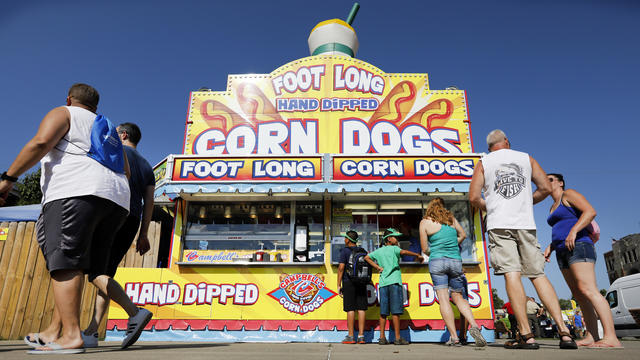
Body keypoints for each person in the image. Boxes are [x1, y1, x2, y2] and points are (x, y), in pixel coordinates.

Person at [0, 84, 130, 354]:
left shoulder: (65, 113)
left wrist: (8, 179)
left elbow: (40, 143)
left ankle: (71, 336)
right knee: (77, 266)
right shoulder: (109, 127)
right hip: (116, 200)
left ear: (69, 99)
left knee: (64, 263)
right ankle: (55, 331)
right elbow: (125, 169)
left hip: (75, 191)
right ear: (95, 105)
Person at [469, 129, 577, 350]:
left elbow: (473, 197)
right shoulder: (526, 158)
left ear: (490, 146)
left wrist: (491, 207)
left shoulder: (484, 162)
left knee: (511, 274)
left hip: (499, 224)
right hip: (525, 223)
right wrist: (526, 203)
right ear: (507, 142)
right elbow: (546, 188)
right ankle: (565, 333)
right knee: (537, 274)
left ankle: (527, 336)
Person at [81, 122, 155, 349]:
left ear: (122, 135)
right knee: (106, 274)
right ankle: (92, 332)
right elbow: (149, 203)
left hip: (112, 213)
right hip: (132, 220)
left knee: (93, 272)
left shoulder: (116, 150)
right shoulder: (147, 166)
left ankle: (134, 312)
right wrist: (144, 233)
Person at [544, 173, 622, 348]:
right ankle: (591, 336)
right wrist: (551, 246)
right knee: (579, 294)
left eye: (550, 179)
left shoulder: (568, 194)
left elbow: (590, 211)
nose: (545, 182)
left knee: (588, 289)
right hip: (561, 251)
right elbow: (560, 228)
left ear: (560, 183)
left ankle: (611, 337)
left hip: (579, 245)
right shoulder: (552, 206)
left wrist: (574, 231)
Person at [419, 198, 486, 347]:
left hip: (437, 261)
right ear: (443, 207)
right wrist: (452, 244)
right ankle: (474, 326)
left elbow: (424, 248)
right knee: (459, 297)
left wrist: (436, 249)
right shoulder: (450, 219)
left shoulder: (424, 222)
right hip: (455, 261)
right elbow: (463, 235)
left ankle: (454, 337)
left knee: (443, 299)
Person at [365, 228, 423, 345]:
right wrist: (417, 254)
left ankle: (382, 337)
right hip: (395, 283)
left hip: (383, 284)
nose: (397, 239)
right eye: (395, 237)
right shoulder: (395, 249)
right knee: (395, 312)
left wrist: (377, 267)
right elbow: (404, 252)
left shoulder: (379, 251)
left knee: (383, 312)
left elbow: (367, 257)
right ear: (389, 239)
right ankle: (397, 338)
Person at [337, 230, 368, 344]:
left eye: (345, 238)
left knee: (350, 308)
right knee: (361, 308)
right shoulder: (363, 251)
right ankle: (361, 336)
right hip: (361, 282)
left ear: (348, 240)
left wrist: (338, 284)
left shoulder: (345, 251)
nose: (344, 240)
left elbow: (341, 268)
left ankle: (351, 336)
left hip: (348, 281)